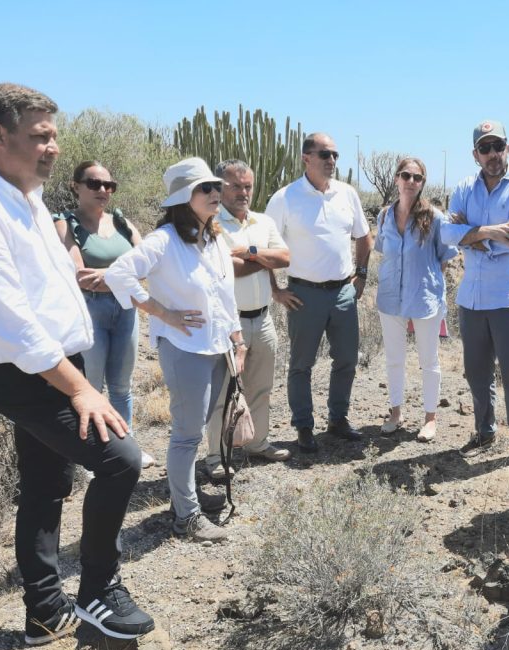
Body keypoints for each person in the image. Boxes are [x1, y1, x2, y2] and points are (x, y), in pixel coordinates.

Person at [0, 83, 154, 645]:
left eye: (54, 136)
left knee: (46, 485)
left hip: (54, 362)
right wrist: (80, 390)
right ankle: (98, 589)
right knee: (121, 459)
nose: (53, 148)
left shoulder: (23, 197)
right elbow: (11, 321)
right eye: (39, 137)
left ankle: (45, 613)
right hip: (23, 372)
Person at [105, 158, 246, 543]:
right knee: (186, 433)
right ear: (185, 197)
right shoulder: (164, 239)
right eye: (206, 188)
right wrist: (163, 312)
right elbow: (118, 273)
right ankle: (186, 517)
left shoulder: (214, 238)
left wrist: (238, 339)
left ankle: (186, 497)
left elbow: (224, 294)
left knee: (197, 428)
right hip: (185, 349)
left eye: (216, 186)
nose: (216, 193)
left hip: (216, 345)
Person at [440, 120, 509, 473]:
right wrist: (486, 232)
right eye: (485, 148)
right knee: (476, 372)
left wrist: (473, 237)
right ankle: (484, 431)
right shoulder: (465, 188)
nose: (493, 154)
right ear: (475, 154)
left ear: (508, 148)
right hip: (473, 298)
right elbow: (448, 232)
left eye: (498, 145)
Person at [265, 133, 372, 453]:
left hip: (342, 292)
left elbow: (364, 238)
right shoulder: (285, 198)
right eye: (325, 154)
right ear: (305, 158)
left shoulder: (347, 194)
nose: (332, 161)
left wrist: (361, 276)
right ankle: (304, 426)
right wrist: (275, 290)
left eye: (335, 155)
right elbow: (265, 247)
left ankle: (338, 419)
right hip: (303, 294)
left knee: (347, 360)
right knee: (301, 364)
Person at [53, 161, 155, 469]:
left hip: (125, 308)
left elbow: (149, 261)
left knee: (122, 386)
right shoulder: (66, 223)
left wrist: (108, 274)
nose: (103, 190)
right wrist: (124, 273)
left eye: (109, 185)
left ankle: (126, 448)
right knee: (90, 388)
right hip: (90, 310)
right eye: (94, 184)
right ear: (76, 186)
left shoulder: (121, 222)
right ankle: (90, 456)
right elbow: (80, 275)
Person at [204, 159, 292, 479]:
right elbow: (229, 271)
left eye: (248, 186)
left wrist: (248, 252)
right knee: (222, 391)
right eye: (235, 185)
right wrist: (259, 259)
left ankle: (256, 443)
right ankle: (215, 456)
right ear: (220, 186)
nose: (243, 192)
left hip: (263, 318)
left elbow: (283, 257)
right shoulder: (212, 223)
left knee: (261, 386)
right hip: (229, 324)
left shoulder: (263, 222)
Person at [374, 157, 459, 442]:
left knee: (428, 360)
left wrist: (426, 283)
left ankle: (430, 418)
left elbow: (445, 258)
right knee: (394, 359)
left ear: (423, 182)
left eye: (417, 177)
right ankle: (396, 413)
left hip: (424, 299)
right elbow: (382, 251)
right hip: (390, 298)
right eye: (405, 175)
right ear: (396, 179)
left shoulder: (434, 218)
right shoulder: (384, 215)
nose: (411, 182)